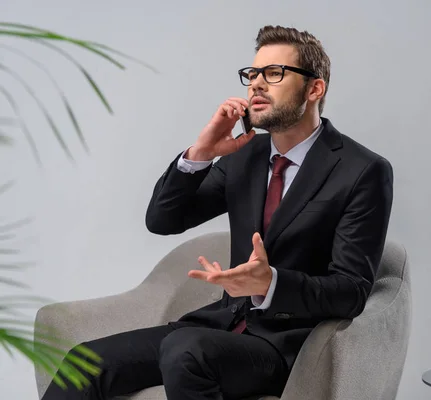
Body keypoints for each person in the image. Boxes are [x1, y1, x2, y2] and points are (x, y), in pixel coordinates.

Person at [42, 25, 393, 400]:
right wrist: (201, 153)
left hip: (287, 345)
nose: (257, 84)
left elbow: (352, 292)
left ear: (314, 89)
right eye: (252, 74)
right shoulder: (244, 156)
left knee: (186, 350)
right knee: (84, 363)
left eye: (274, 74)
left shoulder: (362, 170)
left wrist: (270, 283)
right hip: (221, 326)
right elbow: (163, 220)